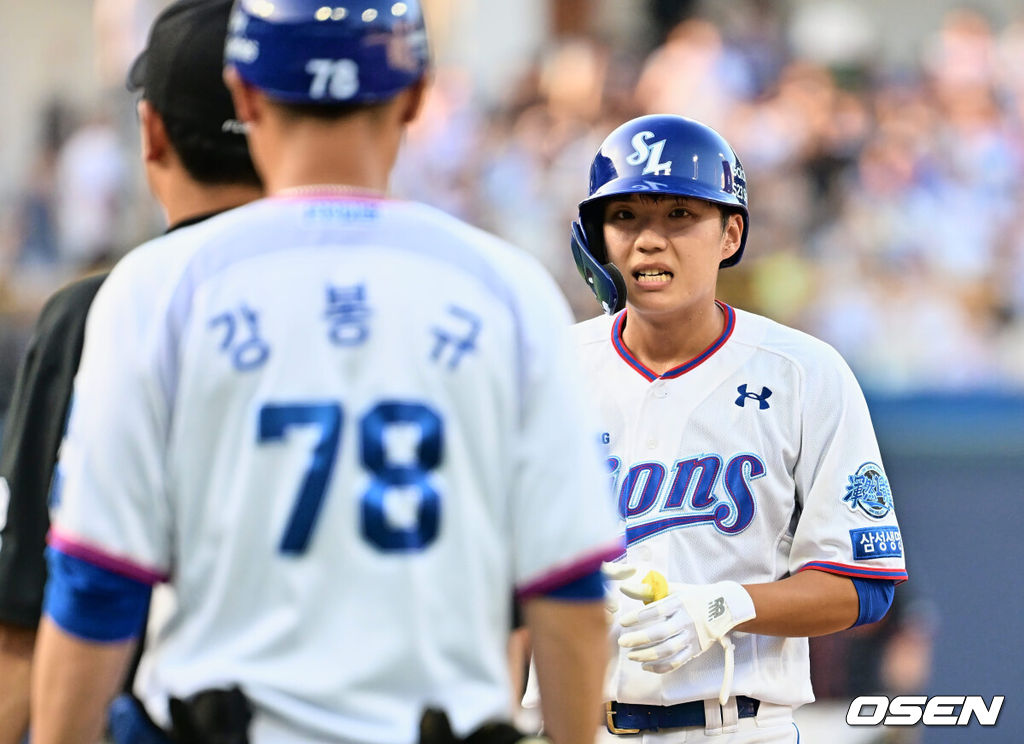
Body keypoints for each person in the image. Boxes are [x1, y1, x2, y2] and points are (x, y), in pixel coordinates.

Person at [30, 2, 621, 743]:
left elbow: (98, 582)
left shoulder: (160, 286)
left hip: (220, 725)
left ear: (245, 95)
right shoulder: (508, 288)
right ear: (413, 96)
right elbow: (567, 590)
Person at [566, 114, 908, 742]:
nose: (649, 240)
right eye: (626, 217)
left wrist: (725, 605)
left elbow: (865, 584)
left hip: (737, 726)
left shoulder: (805, 372)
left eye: (679, 216)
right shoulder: (548, 370)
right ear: (596, 237)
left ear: (731, 234)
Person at [0, 1, 262, 741]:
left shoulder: (104, 309)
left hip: (157, 714)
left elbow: (27, 608)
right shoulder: (387, 298)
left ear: (151, 133)